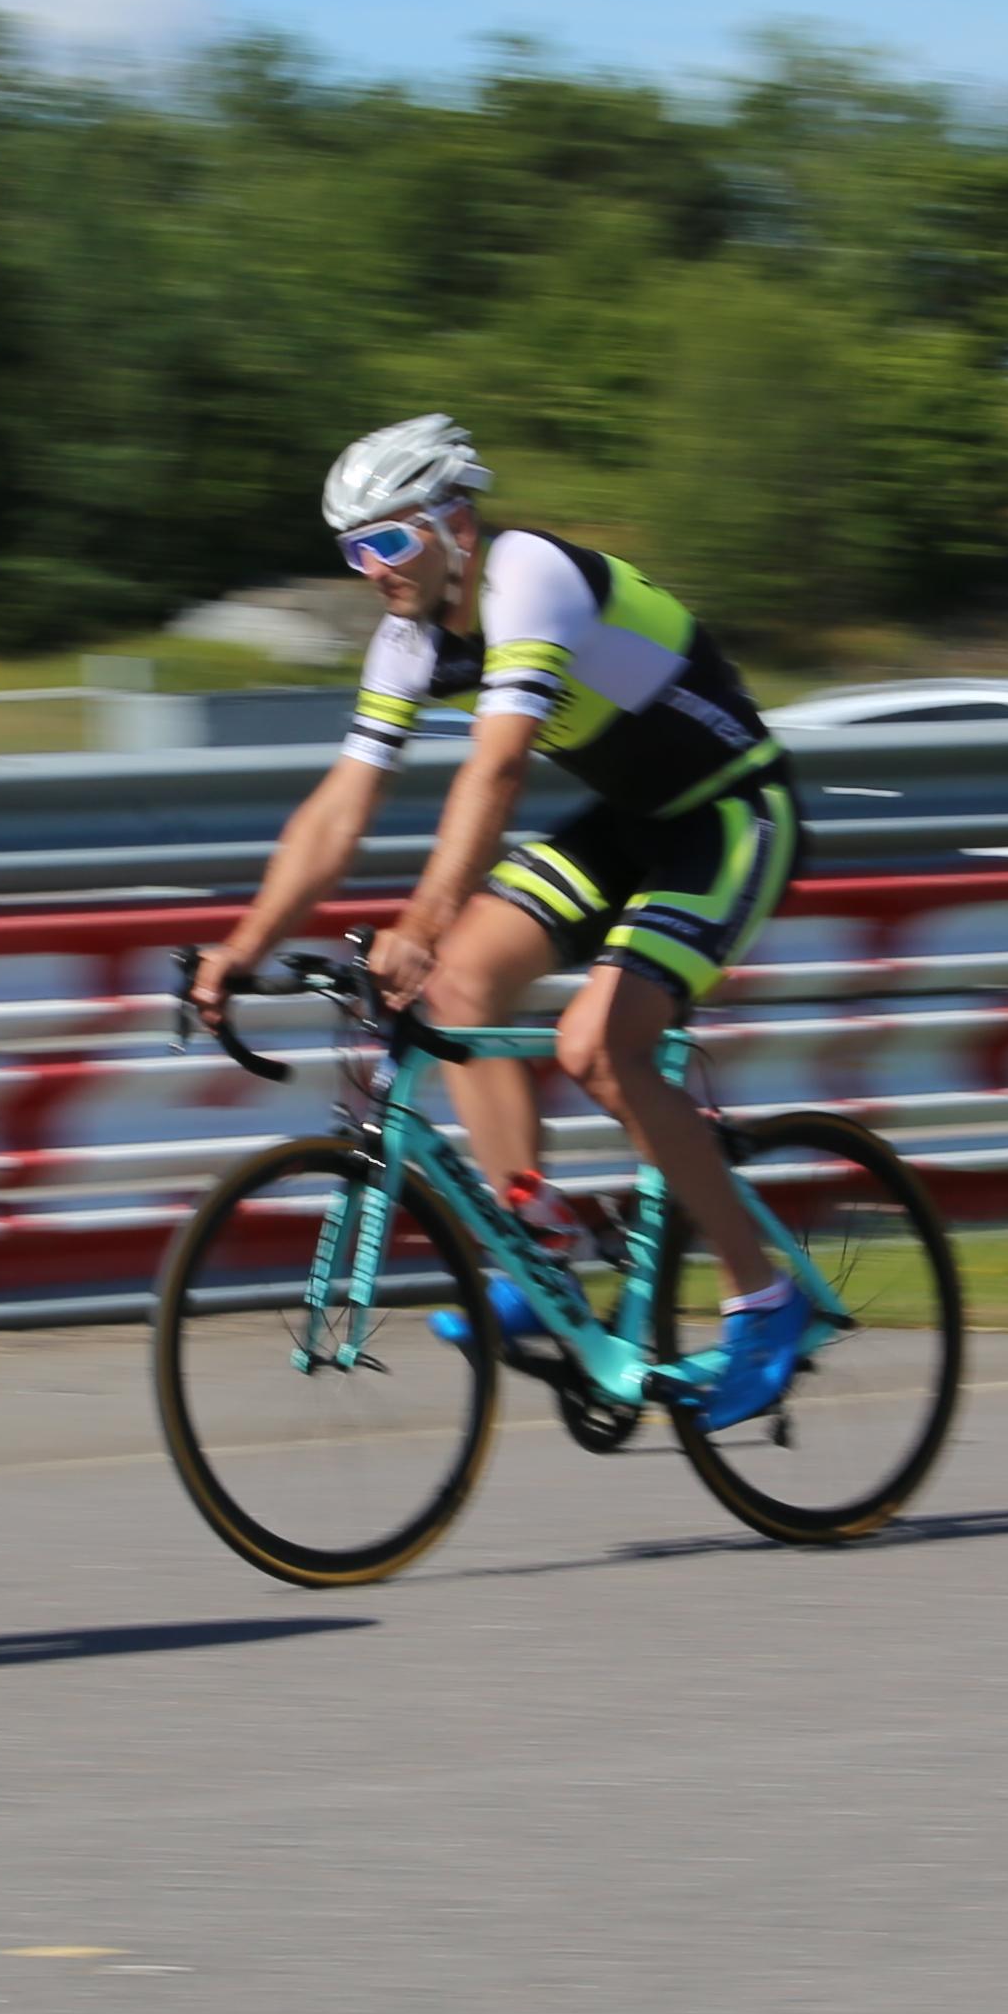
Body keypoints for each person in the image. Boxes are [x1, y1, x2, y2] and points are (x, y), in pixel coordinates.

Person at [187, 414, 815, 1422]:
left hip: (733, 813)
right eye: (353, 549)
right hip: (631, 823)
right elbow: (341, 809)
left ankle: (765, 1301)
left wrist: (424, 916)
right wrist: (245, 945)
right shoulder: (409, 639)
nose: (371, 569)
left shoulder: (529, 576)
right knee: (456, 987)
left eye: (389, 541)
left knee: (597, 1045)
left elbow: (500, 768)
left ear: (456, 524)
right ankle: (543, 1246)